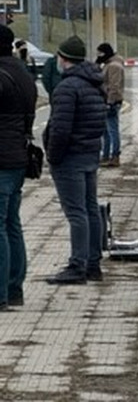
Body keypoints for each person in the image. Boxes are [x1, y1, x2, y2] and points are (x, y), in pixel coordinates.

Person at [44, 35, 107, 285]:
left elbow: (60, 128)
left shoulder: (67, 87)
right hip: (90, 153)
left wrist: (53, 156)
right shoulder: (94, 83)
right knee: (90, 208)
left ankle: (77, 265)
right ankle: (93, 263)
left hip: (70, 157)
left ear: (63, 59)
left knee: (76, 213)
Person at [0, 25, 37, 310]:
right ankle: (14, 288)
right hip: (18, 158)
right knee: (12, 224)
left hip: (2, 158)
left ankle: (1, 293)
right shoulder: (23, 72)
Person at [96, 43, 125, 167]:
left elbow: (114, 86)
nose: (98, 56)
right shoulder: (109, 64)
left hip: (111, 102)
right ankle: (106, 155)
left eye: (100, 53)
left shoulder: (113, 66)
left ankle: (114, 155)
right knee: (105, 130)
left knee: (112, 129)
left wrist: (110, 102)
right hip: (106, 100)